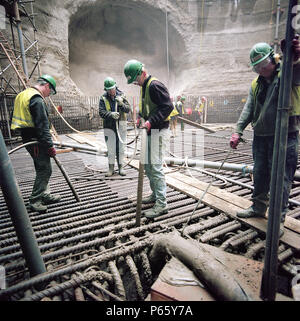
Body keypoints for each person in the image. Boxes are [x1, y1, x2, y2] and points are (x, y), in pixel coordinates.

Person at [230, 38, 300, 236]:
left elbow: (296, 69)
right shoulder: (256, 83)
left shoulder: (287, 74)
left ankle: (277, 220)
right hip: (261, 137)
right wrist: (238, 130)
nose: (260, 70)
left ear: (273, 59)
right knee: (260, 174)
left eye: (263, 65)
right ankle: (258, 207)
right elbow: (249, 108)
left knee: (281, 180)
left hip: (285, 137)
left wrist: (295, 56)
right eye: (256, 67)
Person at [124, 59, 173, 218]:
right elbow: (146, 107)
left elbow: (167, 107)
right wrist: (140, 116)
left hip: (159, 131)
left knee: (156, 167)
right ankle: (155, 195)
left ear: (142, 73)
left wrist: (150, 121)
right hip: (151, 131)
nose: (135, 83)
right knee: (149, 167)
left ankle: (162, 204)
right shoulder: (145, 86)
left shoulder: (154, 85)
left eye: (135, 80)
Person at [11, 74, 60, 213]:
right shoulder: (37, 100)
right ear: (47, 86)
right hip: (36, 139)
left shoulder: (23, 95)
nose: (49, 95)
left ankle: (44, 194)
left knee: (41, 167)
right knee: (45, 169)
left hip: (28, 137)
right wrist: (50, 146)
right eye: (50, 91)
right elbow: (42, 126)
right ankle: (35, 199)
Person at [99, 77, 131, 177]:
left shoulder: (122, 95)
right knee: (111, 148)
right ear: (106, 90)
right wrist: (111, 114)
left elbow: (128, 109)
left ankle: (121, 167)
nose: (111, 91)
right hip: (109, 127)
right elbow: (101, 112)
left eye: (112, 89)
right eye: (109, 90)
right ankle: (111, 168)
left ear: (115, 87)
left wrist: (121, 104)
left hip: (121, 126)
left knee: (120, 148)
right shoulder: (103, 98)